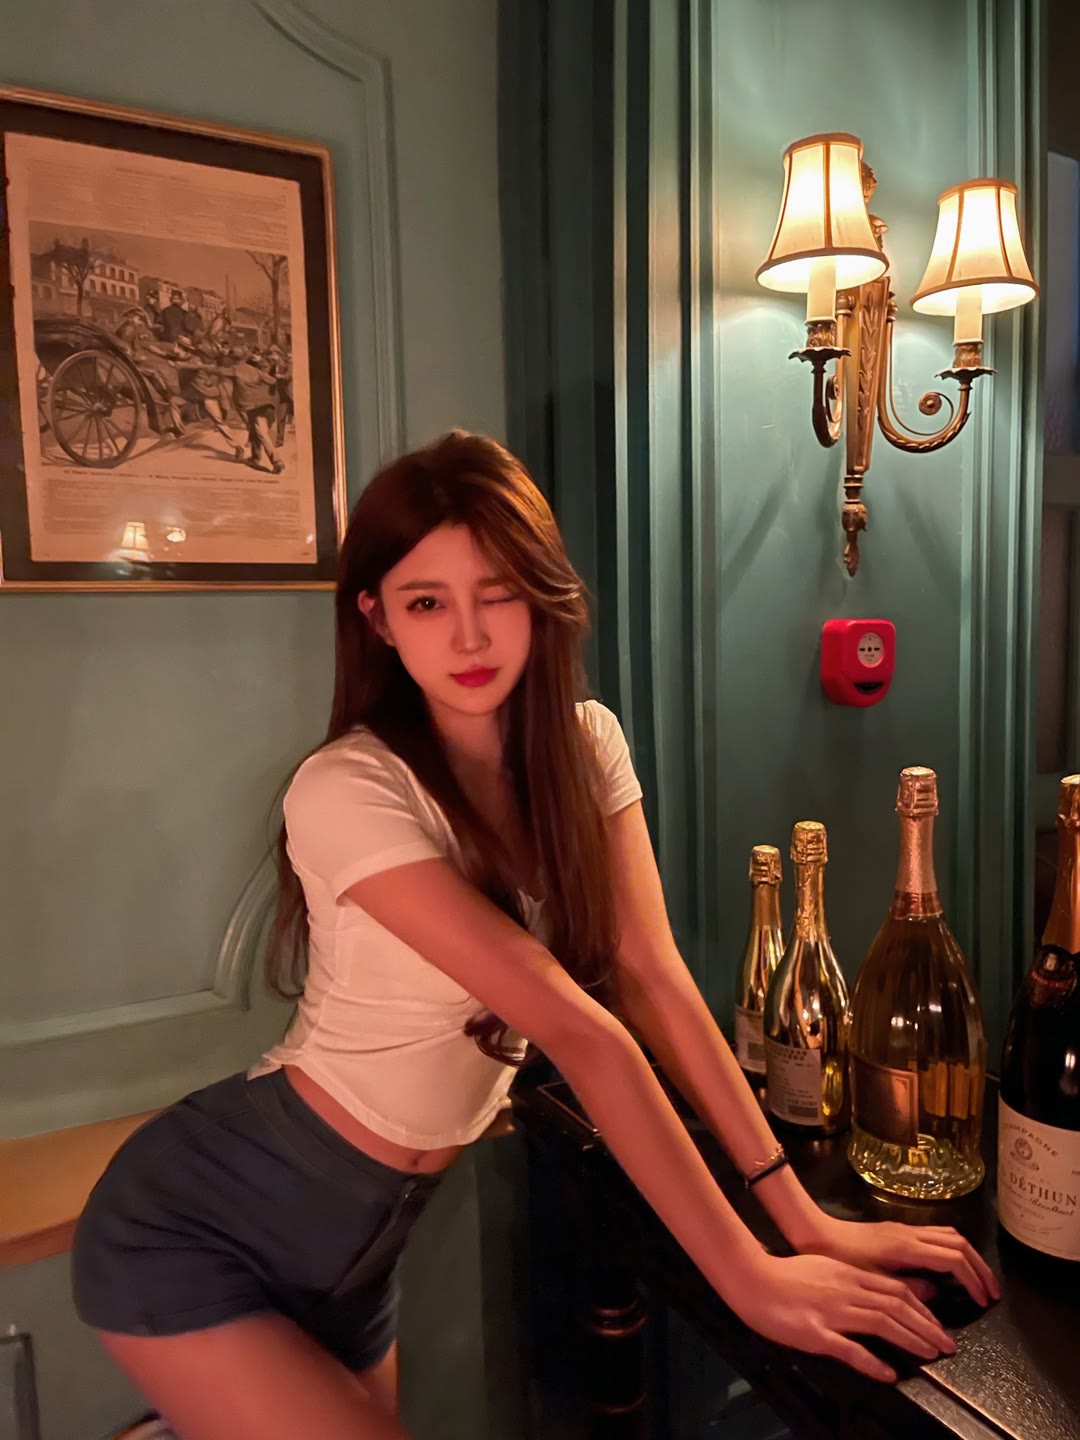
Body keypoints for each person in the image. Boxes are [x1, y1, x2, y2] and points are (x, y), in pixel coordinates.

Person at [70, 432, 998, 1440]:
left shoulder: (586, 746)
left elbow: (651, 977)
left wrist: (805, 1222)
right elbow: (580, 1030)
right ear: (378, 618)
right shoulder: (347, 787)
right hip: (201, 1225)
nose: (470, 636)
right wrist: (752, 1277)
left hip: (362, 1261)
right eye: (427, 602)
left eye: (498, 592)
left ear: (541, 595)